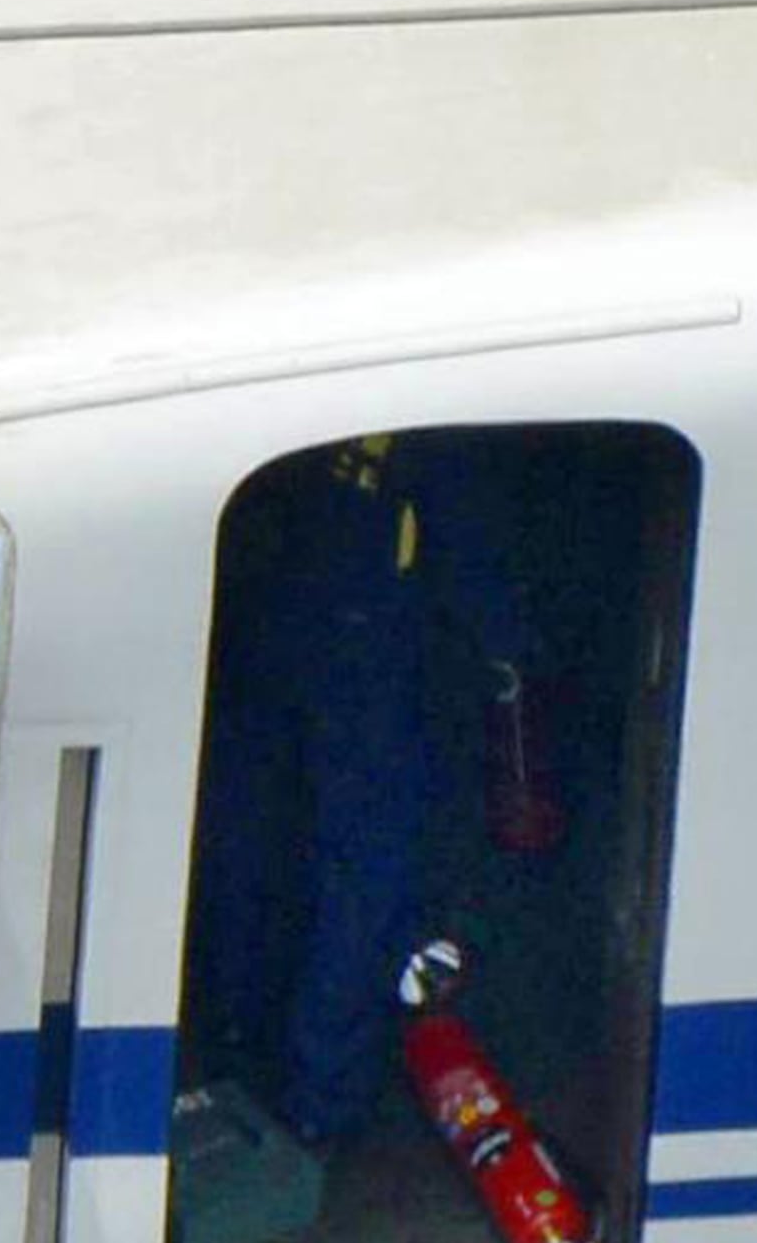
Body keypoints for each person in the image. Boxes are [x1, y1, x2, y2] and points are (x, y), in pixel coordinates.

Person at [186, 435, 540, 1146]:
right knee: (364, 878)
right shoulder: (432, 415)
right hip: (364, 656)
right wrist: (514, 659)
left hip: (267, 631)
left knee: (261, 858)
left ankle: (229, 1060)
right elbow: (470, 551)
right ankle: (322, 1103)